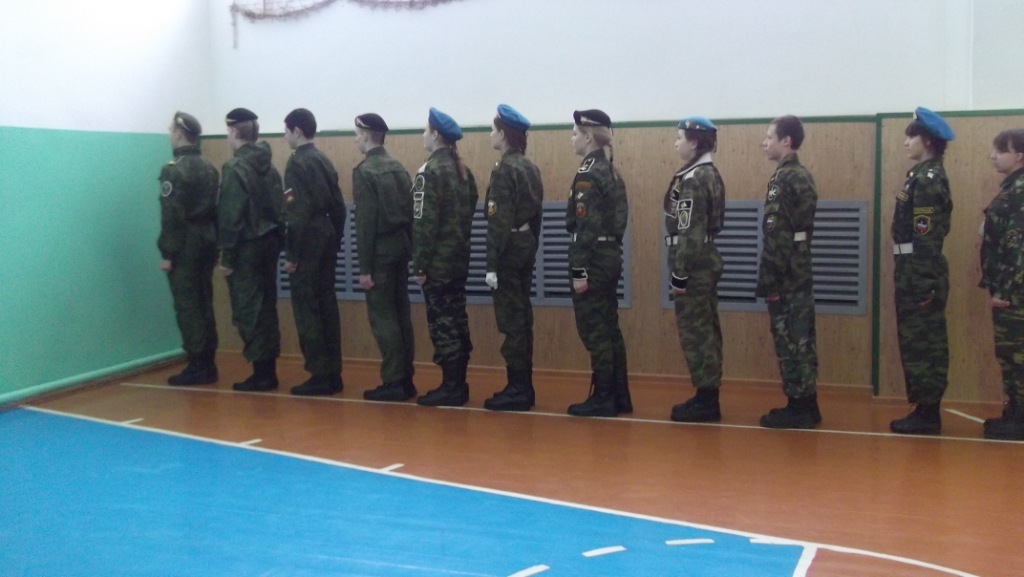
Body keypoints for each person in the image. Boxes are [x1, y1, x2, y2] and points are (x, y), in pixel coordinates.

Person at [889, 107, 955, 435]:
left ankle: (928, 413)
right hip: (911, 268)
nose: (906, 142)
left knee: (924, 342)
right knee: (915, 340)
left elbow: (926, 236)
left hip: (919, 270)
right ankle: (923, 408)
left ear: (927, 141)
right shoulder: (919, 175)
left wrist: (925, 281)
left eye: (911, 136)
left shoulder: (928, 180)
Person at [565, 109, 631, 418]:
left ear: (589, 136)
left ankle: (604, 396)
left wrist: (579, 270)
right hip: (609, 254)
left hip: (593, 258)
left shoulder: (589, 174)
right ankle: (618, 394)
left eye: (575, 133)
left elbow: (586, 226)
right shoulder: (610, 171)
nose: (572, 138)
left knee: (595, 330)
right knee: (608, 326)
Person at [756, 115, 821, 429]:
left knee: (790, 338)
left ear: (786, 141)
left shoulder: (784, 178)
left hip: (786, 272)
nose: (764, 143)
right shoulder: (802, 175)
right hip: (799, 266)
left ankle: (801, 407)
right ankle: (806, 402)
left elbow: (778, 234)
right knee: (801, 337)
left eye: (770, 137)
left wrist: (769, 279)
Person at [413, 108, 478, 407]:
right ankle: (458, 383)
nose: (423, 135)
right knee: (457, 319)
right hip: (458, 260)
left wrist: (420, 265)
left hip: (437, 264)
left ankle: (451, 386)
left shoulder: (430, 172)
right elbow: (470, 208)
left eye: (426, 130)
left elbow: (424, 224)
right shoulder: (463, 171)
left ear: (436, 135)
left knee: (442, 324)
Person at [482, 104, 544, 412]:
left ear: (504, 134)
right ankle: (523, 385)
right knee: (522, 316)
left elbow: (498, 220)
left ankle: (517, 388)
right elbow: (536, 217)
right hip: (525, 244)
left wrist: (491, 264)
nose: (490, 134)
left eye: (494, 130)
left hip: (507, 249)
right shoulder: (530, 167)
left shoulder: (504, 169)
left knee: (511, 319)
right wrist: (531, 244)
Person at [664, 116, 726, 422]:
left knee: (696, 332)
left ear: (695, 142)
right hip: (705, 261)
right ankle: (707, 395)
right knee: (706, 329)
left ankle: (706, 401)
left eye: (680, 138)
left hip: (694, 265)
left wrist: (680, 273)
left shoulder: (694, 179)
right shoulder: (708, 173)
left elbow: (690, 230)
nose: (676, 143)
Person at [352, 113, 418, 402]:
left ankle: (394, 380)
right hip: (401, 247)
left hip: (379, 250)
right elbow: (412, 214)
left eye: (357, 133)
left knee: (383, 317)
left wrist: (364, 267)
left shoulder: (365, 171)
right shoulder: (398, 167)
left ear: (367, 135)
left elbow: (366, 223)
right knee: (401, 313)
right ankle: (406, 377)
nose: (355, 139)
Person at [281, 108, 346, 396]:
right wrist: (335, 239)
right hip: (326, 235)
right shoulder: (323, 159)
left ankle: (319, 374)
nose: (284, 136)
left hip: (307, 241)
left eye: (286, 131)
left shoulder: (296, 163)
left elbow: (296, 213)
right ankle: (333, 373)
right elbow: (339, 207)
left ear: (297, 131)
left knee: (307, 309)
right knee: (327, 306)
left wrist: (292, 255)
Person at [217, 108, 283, 392]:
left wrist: (227, 256)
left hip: (245, 248)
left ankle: (262, 373)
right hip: (269, 244)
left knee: (248, 308)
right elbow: (281, 208)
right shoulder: (270, 167)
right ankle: (268, 369)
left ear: (233, 131)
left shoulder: (235, 168)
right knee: (266, 306)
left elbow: (231, 216)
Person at [158, 112, 221, 386]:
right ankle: (208, 361)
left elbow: (172, 215)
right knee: (204, 301)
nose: (169, 134)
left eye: (171, 130)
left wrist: (167, 253)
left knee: (188, 304)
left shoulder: (173, 170)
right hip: (207, 240)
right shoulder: (209, 167)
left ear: (180, 133)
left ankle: (198, 365)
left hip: (185, 243)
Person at [980, 128, 1024, 441]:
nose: (993, 156)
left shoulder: (1018, 193)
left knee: (1017, 355)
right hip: (1012, 290)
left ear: (1020, 155)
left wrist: (1005, 291)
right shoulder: (1012, 190)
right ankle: (1015, 412)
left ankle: (1020, 418)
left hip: (1016, 293)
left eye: (1001, 150)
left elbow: (1018, 249)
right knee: (1011, 355)